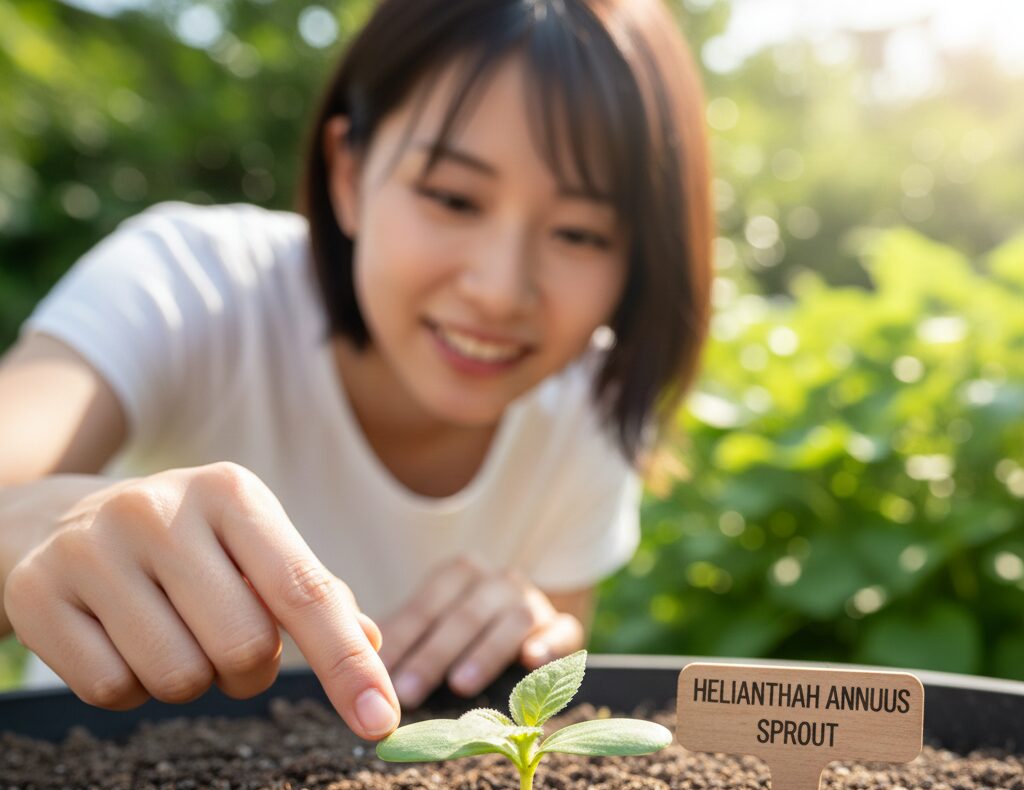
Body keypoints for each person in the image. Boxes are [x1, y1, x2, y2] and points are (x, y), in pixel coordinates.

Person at [0, 0, 712, 741]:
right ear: (349, 173)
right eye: (452, 198)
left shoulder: (589, 405)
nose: (501, 291)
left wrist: (526, 631)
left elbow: (539, 713)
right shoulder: (188, 286)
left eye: (580, 233)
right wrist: (36, 523)